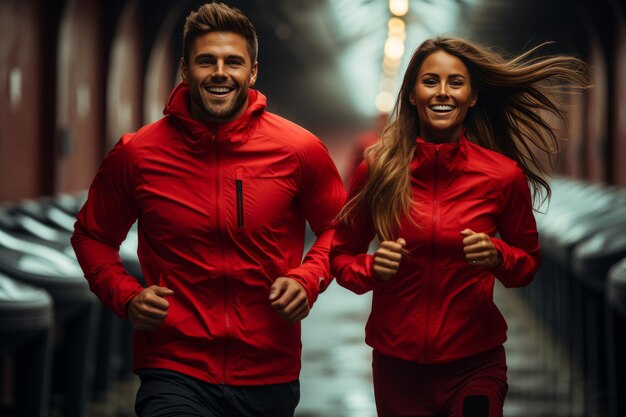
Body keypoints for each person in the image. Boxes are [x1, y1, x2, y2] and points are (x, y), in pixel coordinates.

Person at [71, 3, 346, 417]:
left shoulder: (299, 150)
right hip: (173, 367)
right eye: (206, 61)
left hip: (268, 372)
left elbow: (341, 229)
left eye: (233, 62)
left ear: (252, 72)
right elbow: (93, 236)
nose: (220, 72)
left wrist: (309, 278)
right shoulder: (138, 154)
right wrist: (126, 296)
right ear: (185, 69)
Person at [330, 36, 588, 417]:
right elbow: (341, 255)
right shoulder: (379, 170)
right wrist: (371, 268)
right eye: (430, 81)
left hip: (474, 364)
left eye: (455, 83)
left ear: (473, 96)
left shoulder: (502, 176)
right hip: (397, 366)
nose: (442, 93)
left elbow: (528, 264)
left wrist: (497, 255)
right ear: (412, 95)